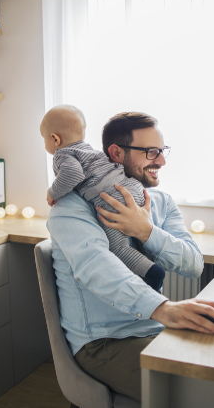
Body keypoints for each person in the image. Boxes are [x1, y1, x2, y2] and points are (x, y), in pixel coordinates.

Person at [47, 111, 214, 402]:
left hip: (154, 328)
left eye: (162, 151)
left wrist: (146, 231)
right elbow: (97, 267)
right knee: (205, 393)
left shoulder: (161, 202)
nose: (161, 161)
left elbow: (194, 264)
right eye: (151, 152)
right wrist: (165, 309)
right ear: (116, 153)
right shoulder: (72, 206)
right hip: (104, 343)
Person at [40, 105, 165, 291]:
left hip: (114, 197)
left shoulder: (63, 154)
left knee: (118, 247)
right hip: (133, 188)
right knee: (139, 236)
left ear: (55, 139)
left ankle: (153, 274)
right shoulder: (89, 150)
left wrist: (52, 192)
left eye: (44, 140)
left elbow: (73, 175)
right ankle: (150, 262)